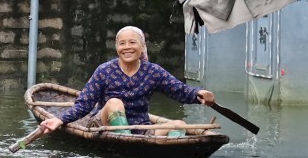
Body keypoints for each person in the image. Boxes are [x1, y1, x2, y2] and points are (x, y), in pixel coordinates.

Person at [39, 25, 215, 137]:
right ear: (117, 48)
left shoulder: (153, 71)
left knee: (179, 124)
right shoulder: (104, 71)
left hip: (141, 128)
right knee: (115, 103)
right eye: (122, 43)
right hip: (104, 125)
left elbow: (180, 90)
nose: (127, 47)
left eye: (132, 42)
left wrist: (198, 94)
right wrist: (60, 120)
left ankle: (175, 152)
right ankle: (126, 139)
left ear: (142, 47)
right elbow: (84, 105)